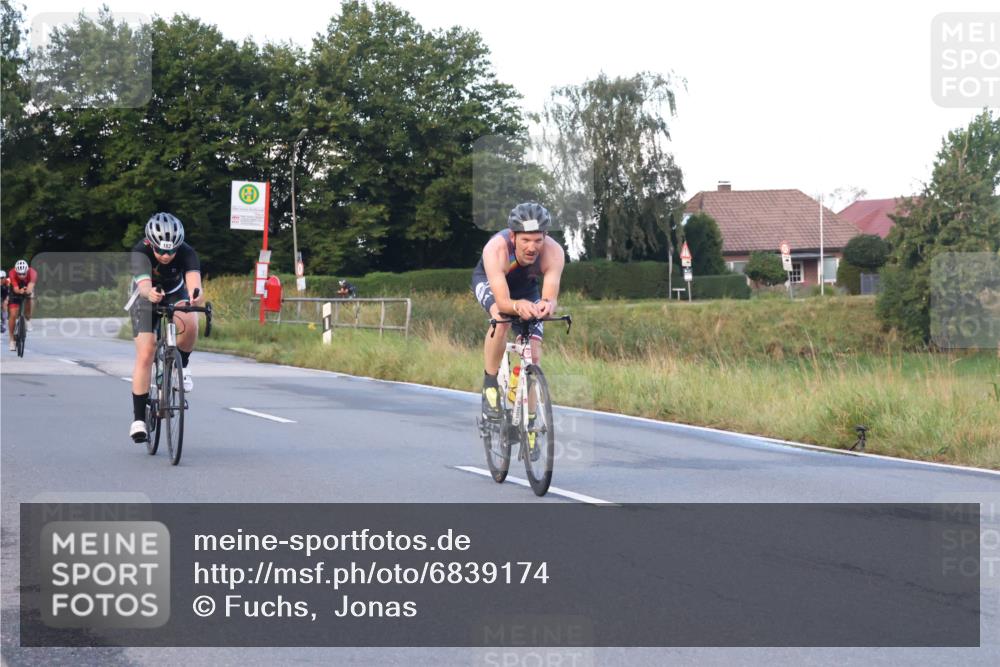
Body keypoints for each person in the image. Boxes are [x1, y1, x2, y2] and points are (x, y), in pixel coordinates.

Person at [471, 202, 565, 434]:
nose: (532, 247)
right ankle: (491, 385)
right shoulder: (496, 249)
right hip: (493, 285)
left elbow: (550, 297)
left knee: (533, 350)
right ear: (513, 236)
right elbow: (503, 302)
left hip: (526, 289)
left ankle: (530, 418)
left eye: (537, 240)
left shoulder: (554, 252)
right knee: (501, 319)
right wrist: (515, 306)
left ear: (545, 236)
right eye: (526, 240)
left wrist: (546, 305)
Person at [127, 212, 203, 443]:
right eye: (161, 251)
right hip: (145, 294)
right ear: (151, 243)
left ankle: (183, 366)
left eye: (171, 251)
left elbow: (194, 286)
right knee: (146, 353)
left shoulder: (187, 252)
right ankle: (139, 420)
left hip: (174, 291)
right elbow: (143, 286)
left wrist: (195, 297)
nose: (166, 255)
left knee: (190, 319)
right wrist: (150, 293)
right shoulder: (141, 251)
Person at [7, 259, 37, 350]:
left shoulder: (32, 272)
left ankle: (27, 319)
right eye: (19, 274)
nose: (22, 276)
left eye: (24, 273)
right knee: (13, 314)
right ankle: (12, 340)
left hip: (27, 287)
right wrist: (19, 291)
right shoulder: (12, 273)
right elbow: (15, 288)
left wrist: (27, 291)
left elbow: (31, 286)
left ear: (27, 271)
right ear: (16, 271)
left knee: (30, 297)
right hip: (15, 290)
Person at [0, 270, 8, 334]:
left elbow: (8, 295)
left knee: (4, 304)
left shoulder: (8, 283)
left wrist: (5, 301)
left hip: (4, 299)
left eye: (2, 278)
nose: (1, 279)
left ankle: (3, 323)